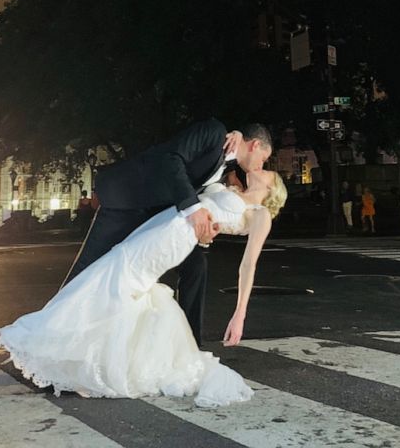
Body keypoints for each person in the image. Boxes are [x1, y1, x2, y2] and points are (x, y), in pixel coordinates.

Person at [0, 167, 287, 407]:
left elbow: (248, 265)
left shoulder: (260, 215)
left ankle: (20, 334)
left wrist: (239, 314)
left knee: (110, 280)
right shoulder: (233, 188)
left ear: (272, 188)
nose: (261, 169)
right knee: (109, 280)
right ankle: (74, 357)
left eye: (267, 172)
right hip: (165, 223)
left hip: (173, 237)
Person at [62, 119, 273, 345]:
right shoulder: (214, 132)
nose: (262, 165)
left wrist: (207, 227)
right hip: (130, 200)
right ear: (255, 145)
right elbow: (171, 158)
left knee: (196, 266)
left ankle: (190, 344)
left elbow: (207, 199)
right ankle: (47, 335)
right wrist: (193, 209)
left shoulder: (225, 166)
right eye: (264, 158)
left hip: (160, 220)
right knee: (87, 269)